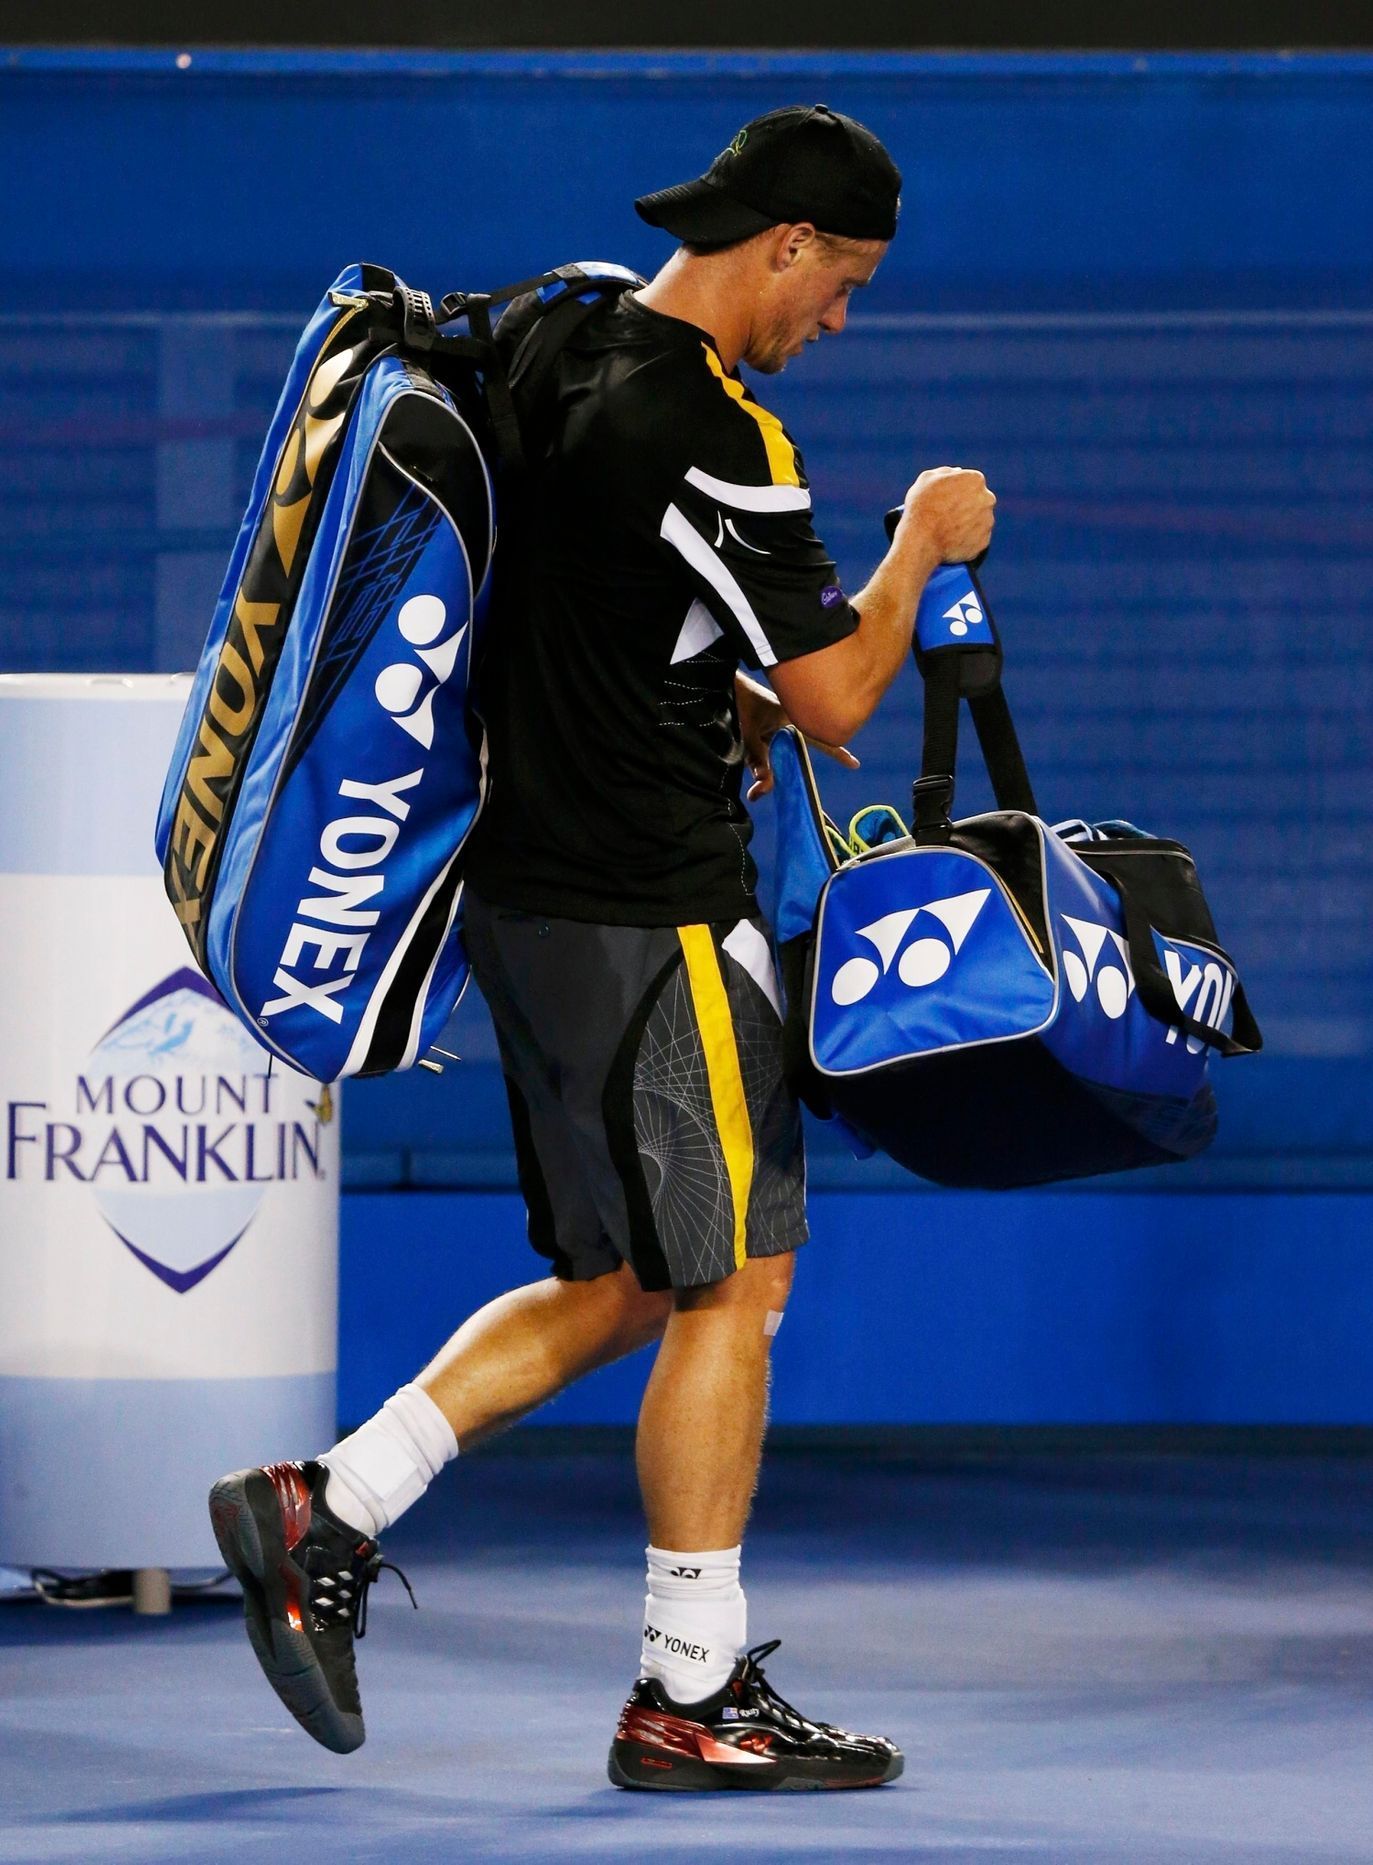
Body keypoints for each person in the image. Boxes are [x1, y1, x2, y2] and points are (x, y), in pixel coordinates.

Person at [209, 102, 995, 1792]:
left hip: (525, 901)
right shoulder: (717, 432)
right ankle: (687, 1690)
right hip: (656, 916)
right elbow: (839, 694)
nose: (836, 320)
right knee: (733, 1282)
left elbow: (585, 587)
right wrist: (922, 538)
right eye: (840, 282)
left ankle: (325, 1502)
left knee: (632, 1276)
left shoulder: (555, 334)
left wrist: (700, 672)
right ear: (782, 245)